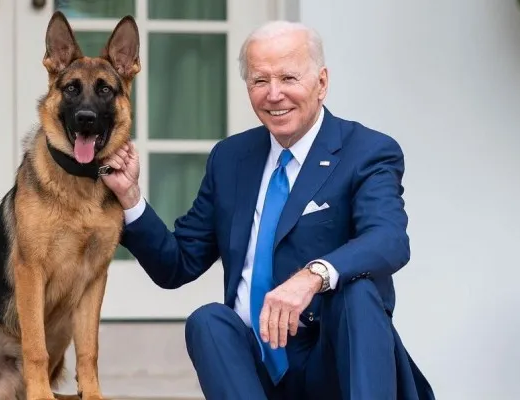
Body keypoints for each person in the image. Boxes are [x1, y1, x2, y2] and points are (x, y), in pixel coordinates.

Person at [101, 20, 435, 400]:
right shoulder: (230, 158)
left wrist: (312, 276)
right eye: (260, 81)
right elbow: (176, 264)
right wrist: (129, 197)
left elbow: (388, 239)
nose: (274, 95)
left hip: (332, 364)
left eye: (288, 78)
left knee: (356, 294)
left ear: (321, 83)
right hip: (255, 370)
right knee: (207, 321)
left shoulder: (366, 151)